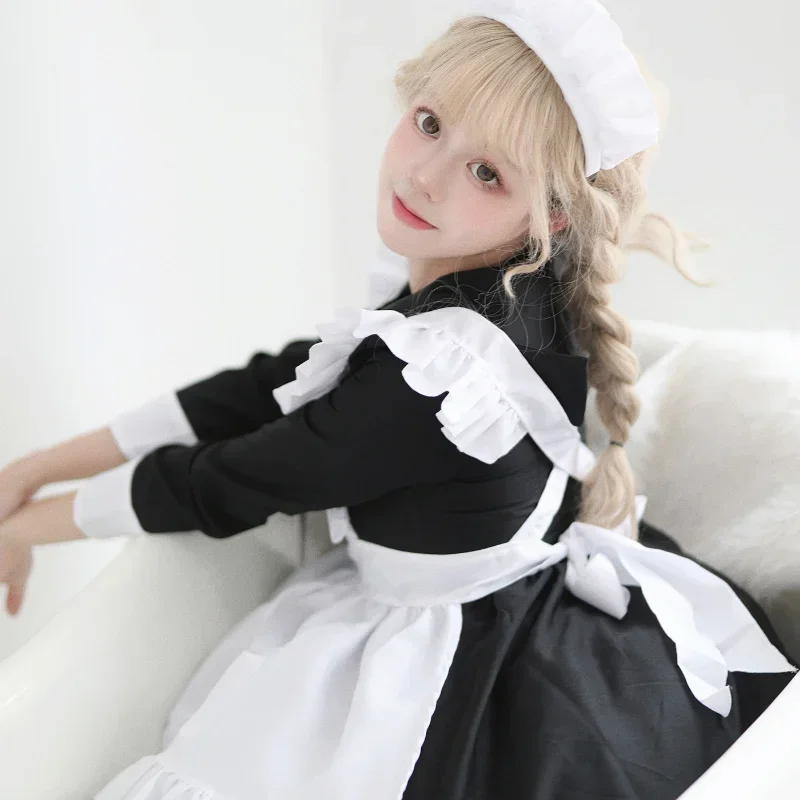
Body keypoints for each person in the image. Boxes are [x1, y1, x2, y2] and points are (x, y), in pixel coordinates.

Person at [0, 1, 795, 798]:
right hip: (495, 584)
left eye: (487, 172)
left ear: (551, 214)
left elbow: (232, 480)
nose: (424, 175)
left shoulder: (441, 375)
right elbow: (267, 384)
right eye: (429, 123)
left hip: (476, 646)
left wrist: (24, 525)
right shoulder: (489, 282)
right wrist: (38, 467)